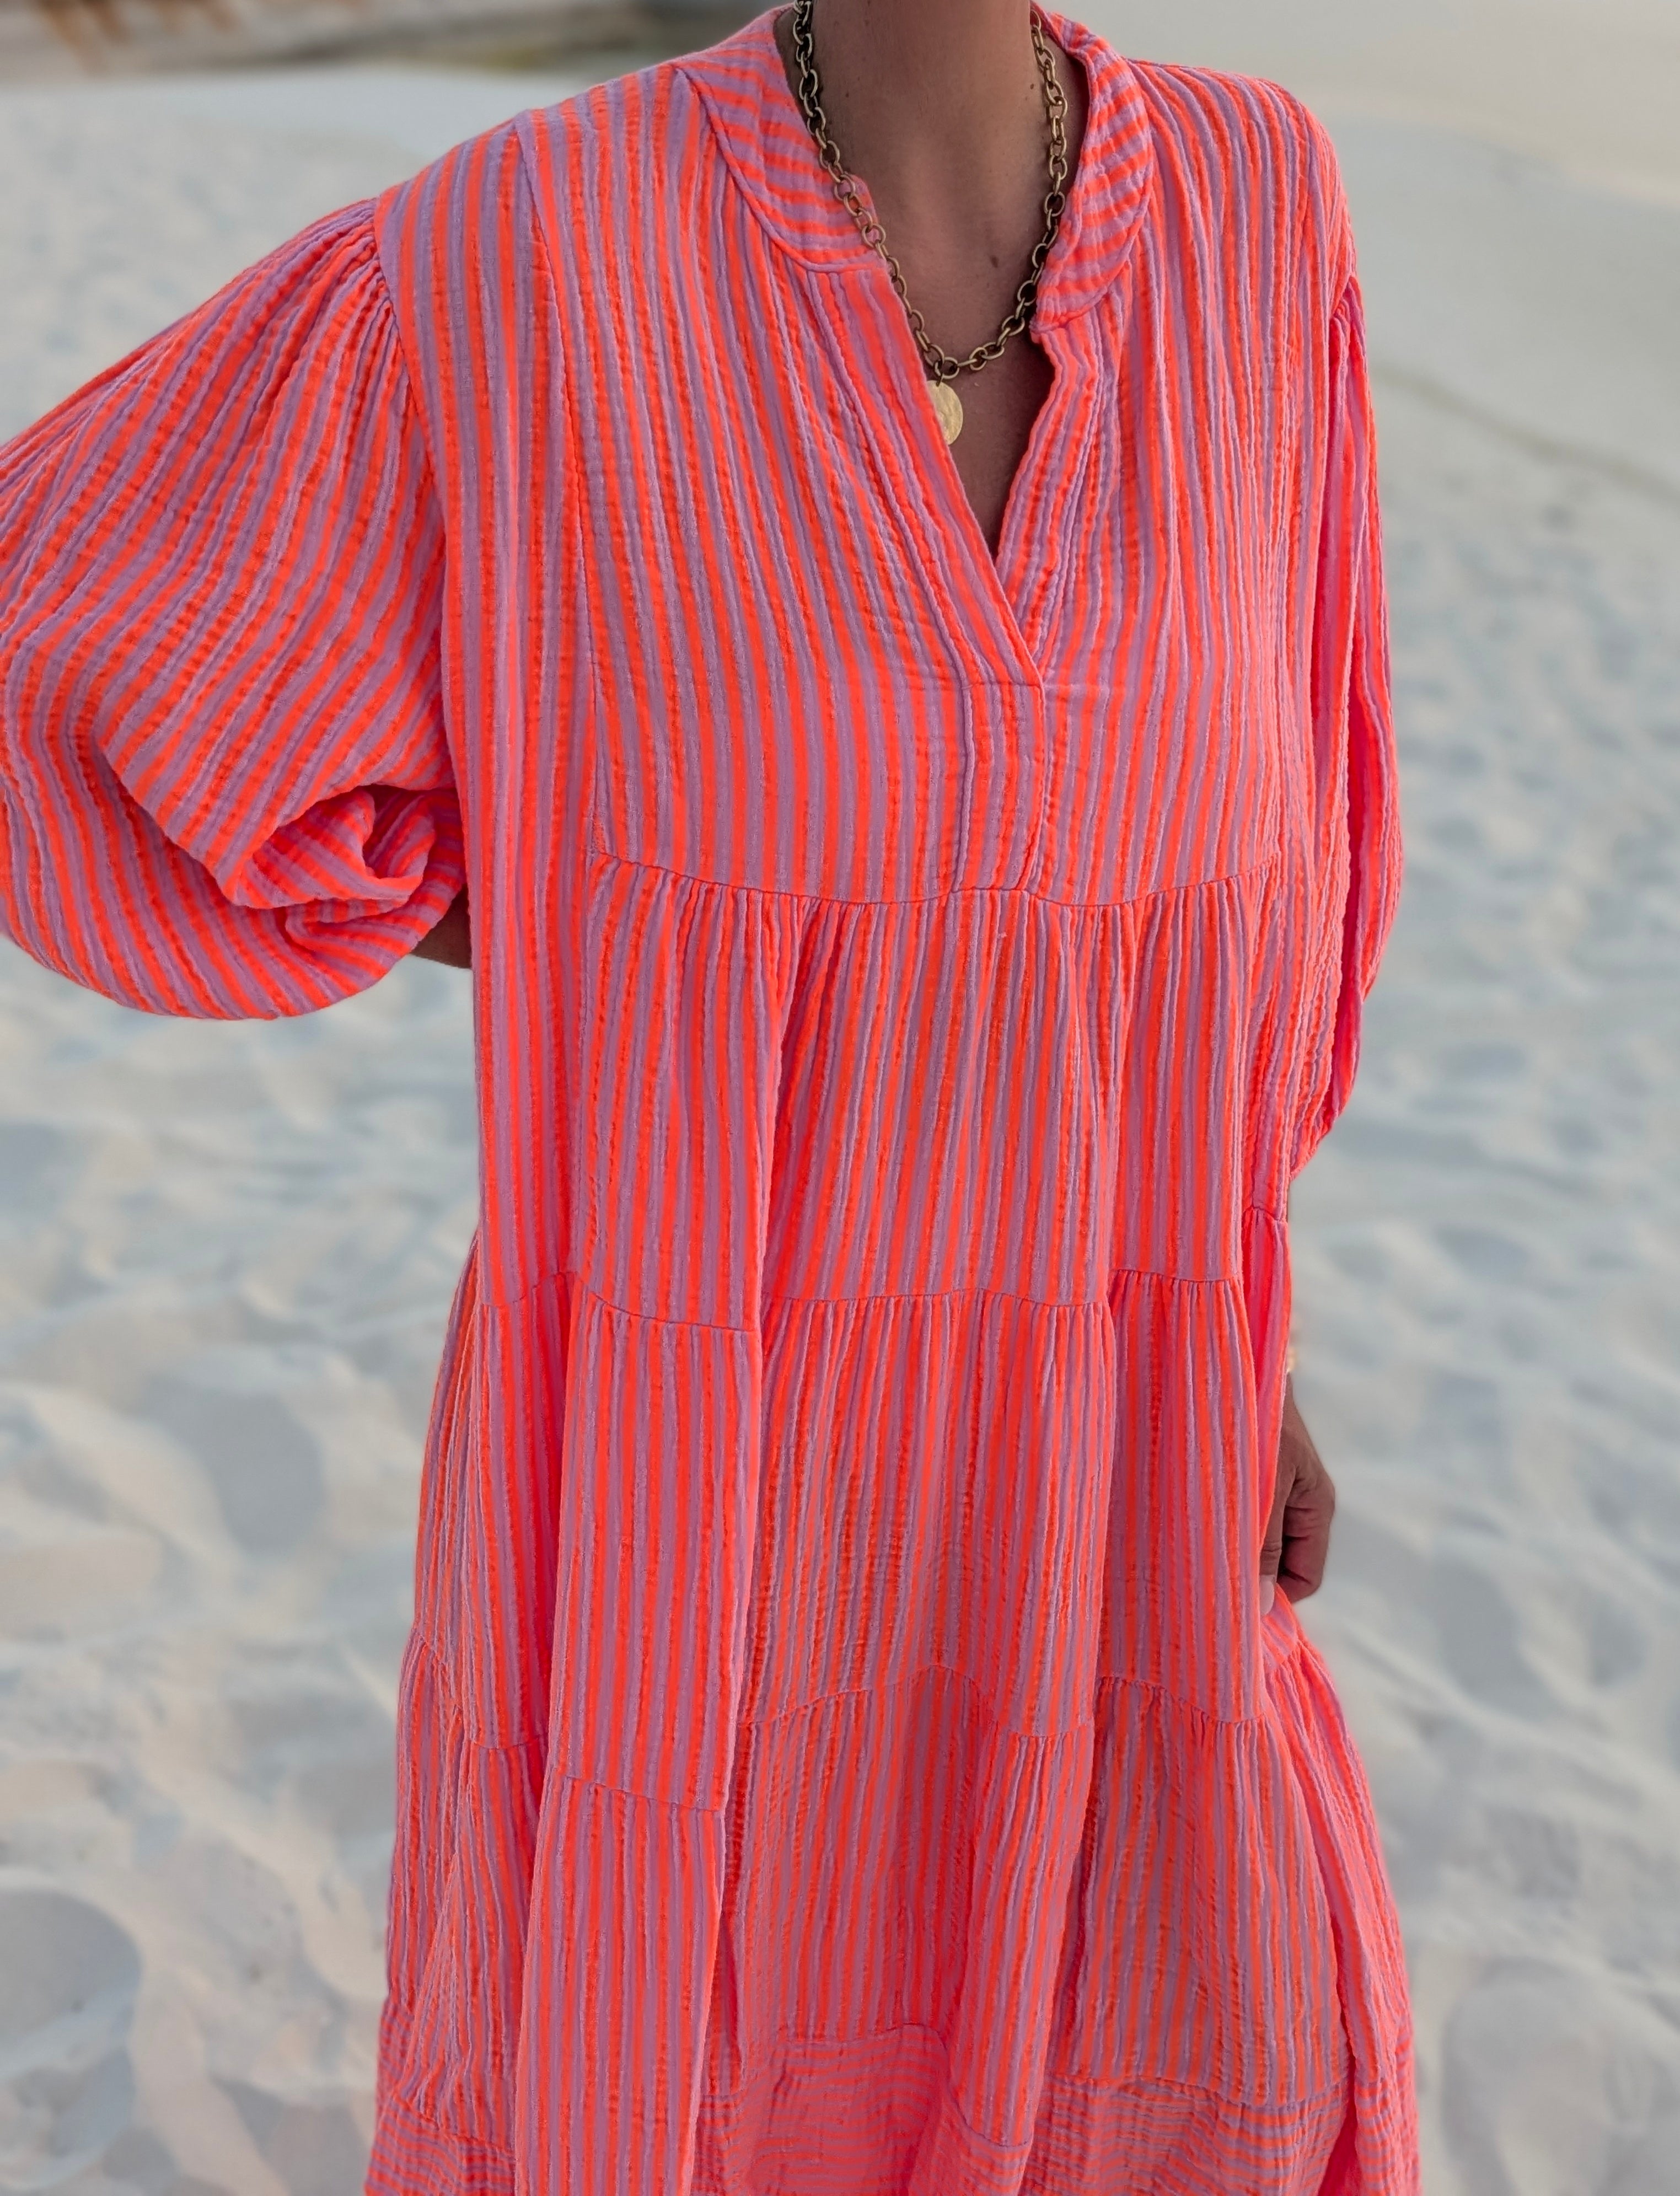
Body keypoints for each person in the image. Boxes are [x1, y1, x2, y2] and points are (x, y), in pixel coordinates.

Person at [0, 2, 1415, 2188]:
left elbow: (1275, 862)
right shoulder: (522, 253)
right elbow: (56, 679)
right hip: (694, 1508)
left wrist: (1245, 1327)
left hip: (1130, 1482)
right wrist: (580, 918)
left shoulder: (1263, 207)